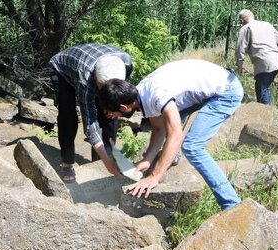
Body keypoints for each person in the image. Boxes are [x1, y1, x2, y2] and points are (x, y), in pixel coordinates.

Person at [99, 59, 243, 211]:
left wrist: (154, 176)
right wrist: (147, 160)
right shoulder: (140, 93)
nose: (113, 117)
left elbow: (176, 136)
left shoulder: (156, 96)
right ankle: (170, 157)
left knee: (191, 147)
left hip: (226, 90)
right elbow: (159, 129)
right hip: (209, 85)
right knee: (169, 120)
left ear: (124, 107)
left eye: (113, 113)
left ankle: (232, 204)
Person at [48, 44, 132, 183]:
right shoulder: (85, 79)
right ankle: (67, 163)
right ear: (95, 78)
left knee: (109, 115)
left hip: (95, 61)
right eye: (101, 89)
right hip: (62, 68)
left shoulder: (126, 64)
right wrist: (108, 163)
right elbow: (89, 122)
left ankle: (99, 164)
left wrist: (115, 109)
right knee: (68, 115)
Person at [235, 9, 278, 104]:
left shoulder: (245, 28)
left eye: (240, 21)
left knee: (261, 89)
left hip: (264, 62)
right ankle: (267, 111)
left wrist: (239, 65)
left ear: (242, 20)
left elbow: (240, 48)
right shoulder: (266, 24)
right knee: (264, 87)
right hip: (276, 61)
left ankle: (265, 113)